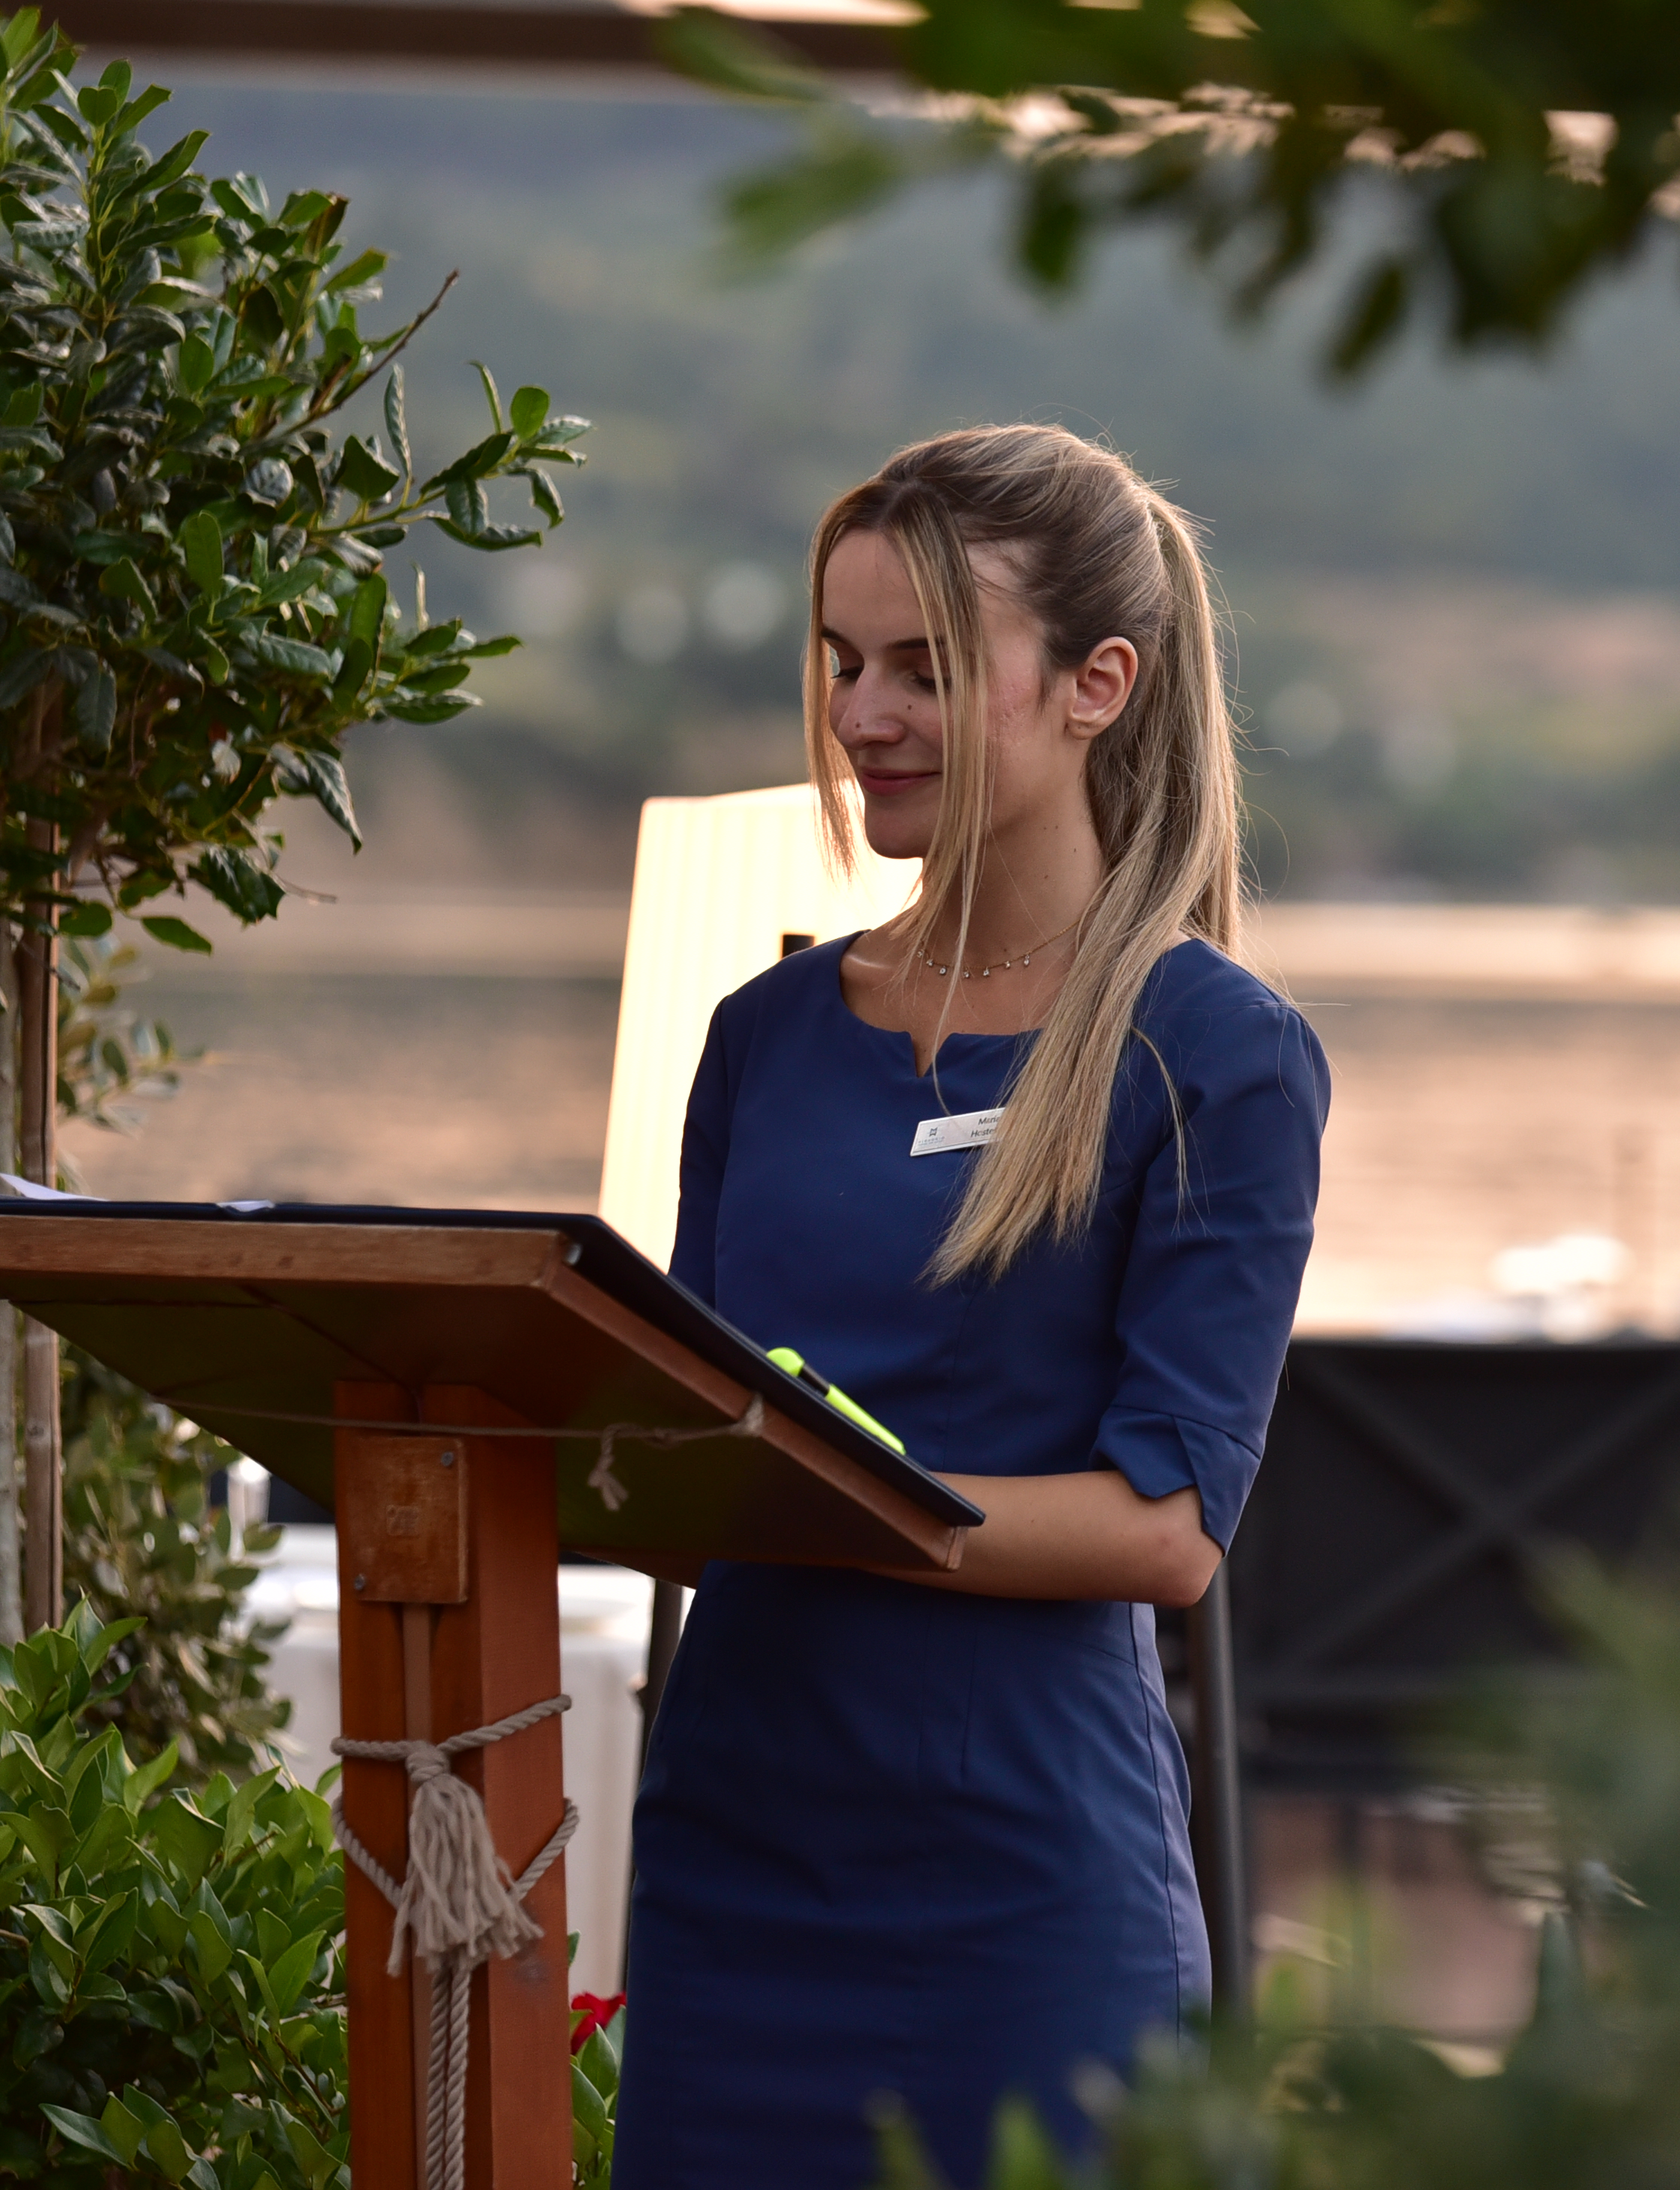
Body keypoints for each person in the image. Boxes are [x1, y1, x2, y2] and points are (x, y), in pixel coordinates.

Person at [614, 425, 1330, 2189]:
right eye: (845, 661)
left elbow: (1166, 1531)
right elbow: (679, 1438)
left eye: (926, 667)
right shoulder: (760, 1041)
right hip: (737, 1862)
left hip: (1025, 1893)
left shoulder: (1216, 1056)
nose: (863, 716)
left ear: (1099, 684)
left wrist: (815, 1497)